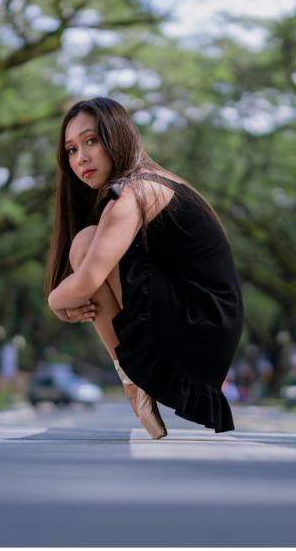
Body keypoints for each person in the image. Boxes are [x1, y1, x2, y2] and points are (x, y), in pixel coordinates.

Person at [45, 97, 244, 439]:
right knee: (88, 244)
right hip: (211, 325)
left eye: (91, 141)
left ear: (117, 137)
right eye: (72, 150)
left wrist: (55, 301)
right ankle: (133, 380)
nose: (81, 158)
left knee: (85, 244)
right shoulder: (147, 183)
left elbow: (88, 281)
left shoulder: (134, 195)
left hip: (202, 324)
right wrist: (70, 294)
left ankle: (130, 380)